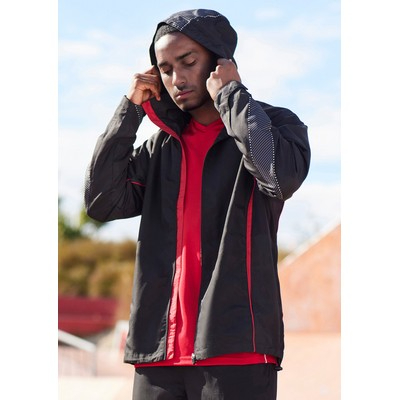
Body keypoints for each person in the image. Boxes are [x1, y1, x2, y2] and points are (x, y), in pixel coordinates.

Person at [85, 8, 310, 400]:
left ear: (219, 60)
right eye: (165, 69)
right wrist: (130, 109)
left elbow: (277, 176)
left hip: (238, 350)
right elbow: (102, 201)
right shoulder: (159, 148)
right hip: (158, 354)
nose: (177, 78)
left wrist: (231, 95)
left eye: (187, 62)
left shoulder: (274, 125)